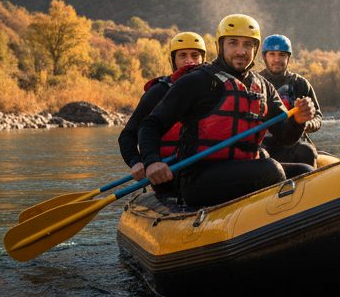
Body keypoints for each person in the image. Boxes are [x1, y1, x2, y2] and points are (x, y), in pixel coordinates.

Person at [138, 14, 317, 207]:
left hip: (245, 169)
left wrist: (298, 120)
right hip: (199, 178)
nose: (241, 51)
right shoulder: (197, 81)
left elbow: (286, 137)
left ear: (255, 49)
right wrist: (152, 161)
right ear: (220, 46)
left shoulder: (264, 87)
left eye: (248, 45)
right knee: (270, 171)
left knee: (304, 172)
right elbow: (150, 125)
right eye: (233, 43)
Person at [118, 31, 207, 183]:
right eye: (182, 55)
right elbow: (127, 135)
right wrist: (136, 161)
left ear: (203, 59)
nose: (189, 61)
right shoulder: (158, 91)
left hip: (205, 168)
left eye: (195, 55)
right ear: (173, 60)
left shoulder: (213, 88)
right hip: (168, 173)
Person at [258, 33, 323, 166]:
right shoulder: (255, 83)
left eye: (282, 55)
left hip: (292, 143)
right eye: (272, 54)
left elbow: (317, 116)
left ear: (288, 57)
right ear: (265, 56)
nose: (277, 59)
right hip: (264, 145)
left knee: (306, 151)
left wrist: (306, 123)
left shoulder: (300, 83)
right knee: (260, 155)